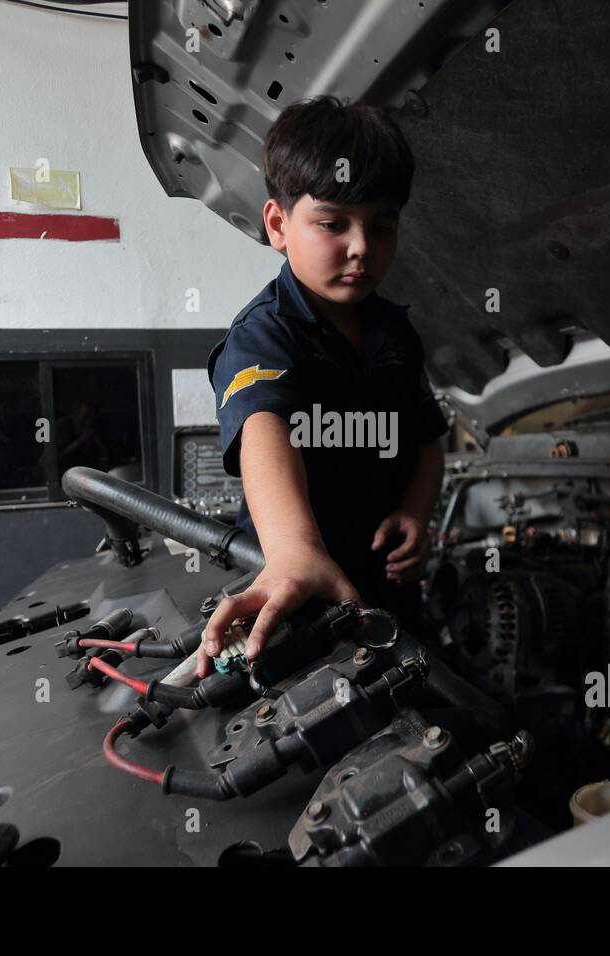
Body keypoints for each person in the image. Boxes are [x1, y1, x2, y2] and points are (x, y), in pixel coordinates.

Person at [197, 95, 448, 677]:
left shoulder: (396, 334)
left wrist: (416, 514)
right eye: (333, 224)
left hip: (385, 591)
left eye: (381, 226)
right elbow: (264, 428)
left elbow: (429, 442)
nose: (361, 247)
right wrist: (293, 550)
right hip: (297, 597)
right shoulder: (262, 337)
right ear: (279, 225)